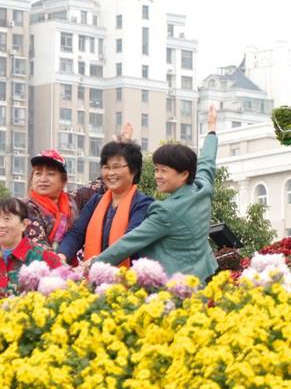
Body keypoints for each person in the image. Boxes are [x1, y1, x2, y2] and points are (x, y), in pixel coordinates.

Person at [90, 105, 219, 282]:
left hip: (175, 287)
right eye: (156, 169)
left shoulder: (167, 211)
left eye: (163, 171)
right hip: (204, 278)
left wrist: (93, 265)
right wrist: (211, 129)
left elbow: (129, 242)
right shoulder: (202, 188)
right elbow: (207, 162)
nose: (157, 176)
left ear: (184, 174)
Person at [57, 140, 153, 265]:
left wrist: (97, 262)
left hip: (129, 275)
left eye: (116, 167)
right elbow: (76, 233)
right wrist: (62, 256)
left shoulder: (144, 204)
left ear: (133, 170)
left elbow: (129, 243)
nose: (110, 173)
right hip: (92, 274)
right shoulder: (95, 201)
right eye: (106, 167)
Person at [0, 196, 62, 301]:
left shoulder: (45, 258)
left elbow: (72, 288)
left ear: (24, 224)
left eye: (7, 218)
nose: (0, 225)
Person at [23, 149, 79, 250]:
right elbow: (39, 247)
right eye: (38, 173)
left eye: (50, 174)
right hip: (42, 259)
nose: (43, 179)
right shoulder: (25, 207)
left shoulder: (71, 202)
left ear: (63, 181)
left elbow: (98, 184)